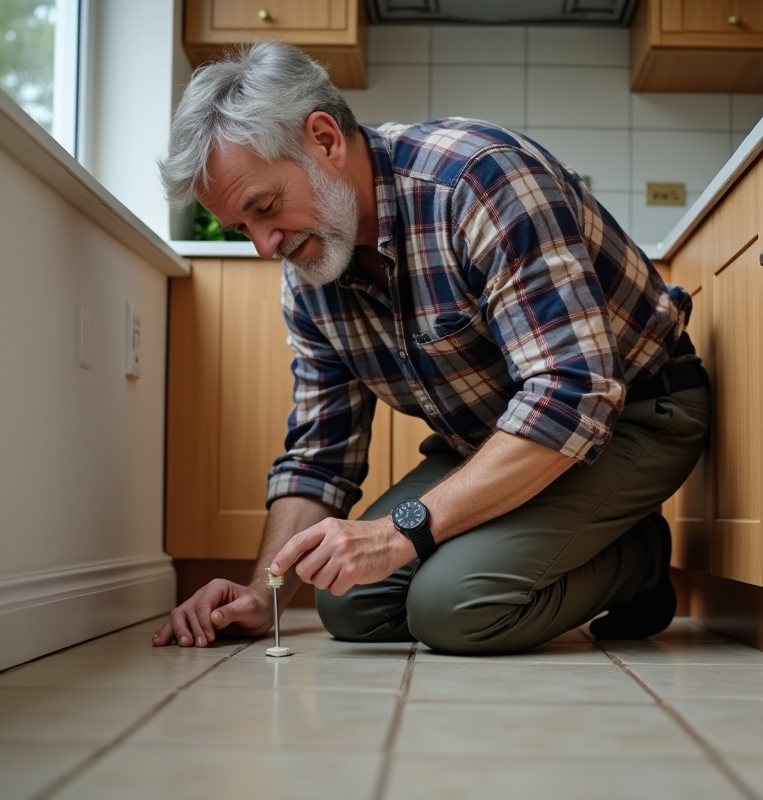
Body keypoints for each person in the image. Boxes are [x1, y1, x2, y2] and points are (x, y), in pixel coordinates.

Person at [152, 41, 709, 655]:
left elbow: (570, 394)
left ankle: (641, 556)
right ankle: (570, 541)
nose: (263, 245)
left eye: (265, 208)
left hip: (634, 413)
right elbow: (321, 455)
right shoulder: (310, 274)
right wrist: (265, 591)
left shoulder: (478, 180)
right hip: (490, 439)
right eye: (243, 227)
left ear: (325, 139)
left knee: (455, 607)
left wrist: (397, 535)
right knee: (346, 599)